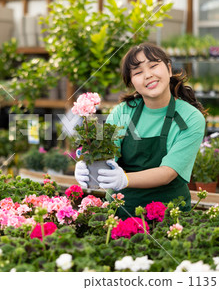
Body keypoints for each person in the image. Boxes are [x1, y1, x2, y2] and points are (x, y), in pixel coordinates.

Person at [75, 43, 206, 219]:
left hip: (168, 215)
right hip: (119, 213)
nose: (148, 75)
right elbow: (105, 151)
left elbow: (168, 172)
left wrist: (125, 179)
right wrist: (85, 162)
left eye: (153, 66)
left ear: (168, 68)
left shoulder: (190, 118)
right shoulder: (123, 111)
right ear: (132, 83)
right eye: (138, 72)